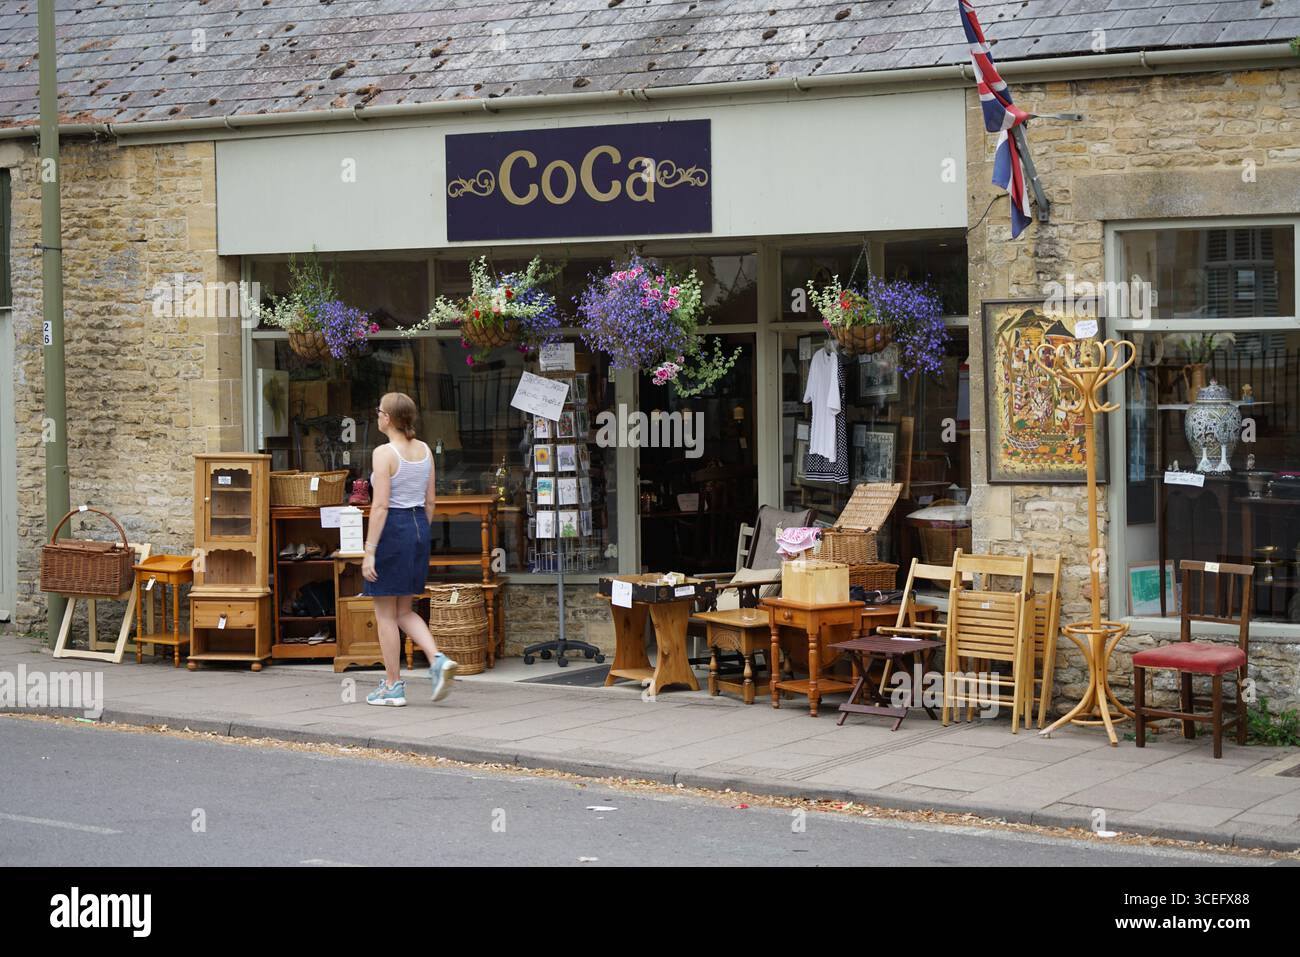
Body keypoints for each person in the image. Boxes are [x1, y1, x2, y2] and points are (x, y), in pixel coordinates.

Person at [361, 392, 457, 706]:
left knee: (385, 613)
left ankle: (393, 685)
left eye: (379, 412)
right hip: (418, 527)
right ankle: (437, 659)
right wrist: (421, 532)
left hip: (394, 528)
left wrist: (370, 549)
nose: (377, 416)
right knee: (404, 610)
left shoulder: (383, 453)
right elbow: (430, 500)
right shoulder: (425, 449)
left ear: (387, 417)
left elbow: (380, 505)